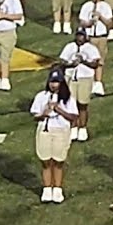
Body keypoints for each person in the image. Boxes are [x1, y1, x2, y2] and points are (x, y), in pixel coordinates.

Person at [31, 70, 79, 203]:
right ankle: (47, 189)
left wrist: (59, 110)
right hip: (45, 130)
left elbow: (73, 117)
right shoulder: (41, 96)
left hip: (61, 130)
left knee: (58, 161)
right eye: (52, 82)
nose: (53, 85)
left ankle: (57, 189)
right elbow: (35, 115)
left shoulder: (68, 98)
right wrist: (43, 113)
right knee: (45, 160)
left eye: (56, 82)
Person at [58, 29, 101, 143]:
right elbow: (62, 61)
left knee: (83, 104)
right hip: (71, 77)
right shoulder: (70, 47)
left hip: (85, 78)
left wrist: (83, 61)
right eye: (78, 35)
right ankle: (73, 126)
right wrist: (70, 64)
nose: (79, 38)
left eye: (82, 36)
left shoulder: (91, 48)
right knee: (71, 104)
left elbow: (95, 64)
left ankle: (82, 128)